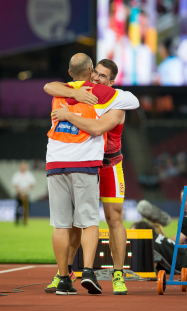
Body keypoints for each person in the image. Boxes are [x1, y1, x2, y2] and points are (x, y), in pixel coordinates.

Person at [45, 53, 139, 295]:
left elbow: (97, 129)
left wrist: (68, 114)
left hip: (108, 166)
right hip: (85, 164)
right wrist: (74, 93)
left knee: (114, 219)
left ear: (111, 83)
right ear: (89, 72)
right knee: (76, 222)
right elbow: (50, 86)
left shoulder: (116, 104)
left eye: (103, 76)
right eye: (95, 72)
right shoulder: (83, 93)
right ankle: (64, 271)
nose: (97, 77)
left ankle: (118, 274)